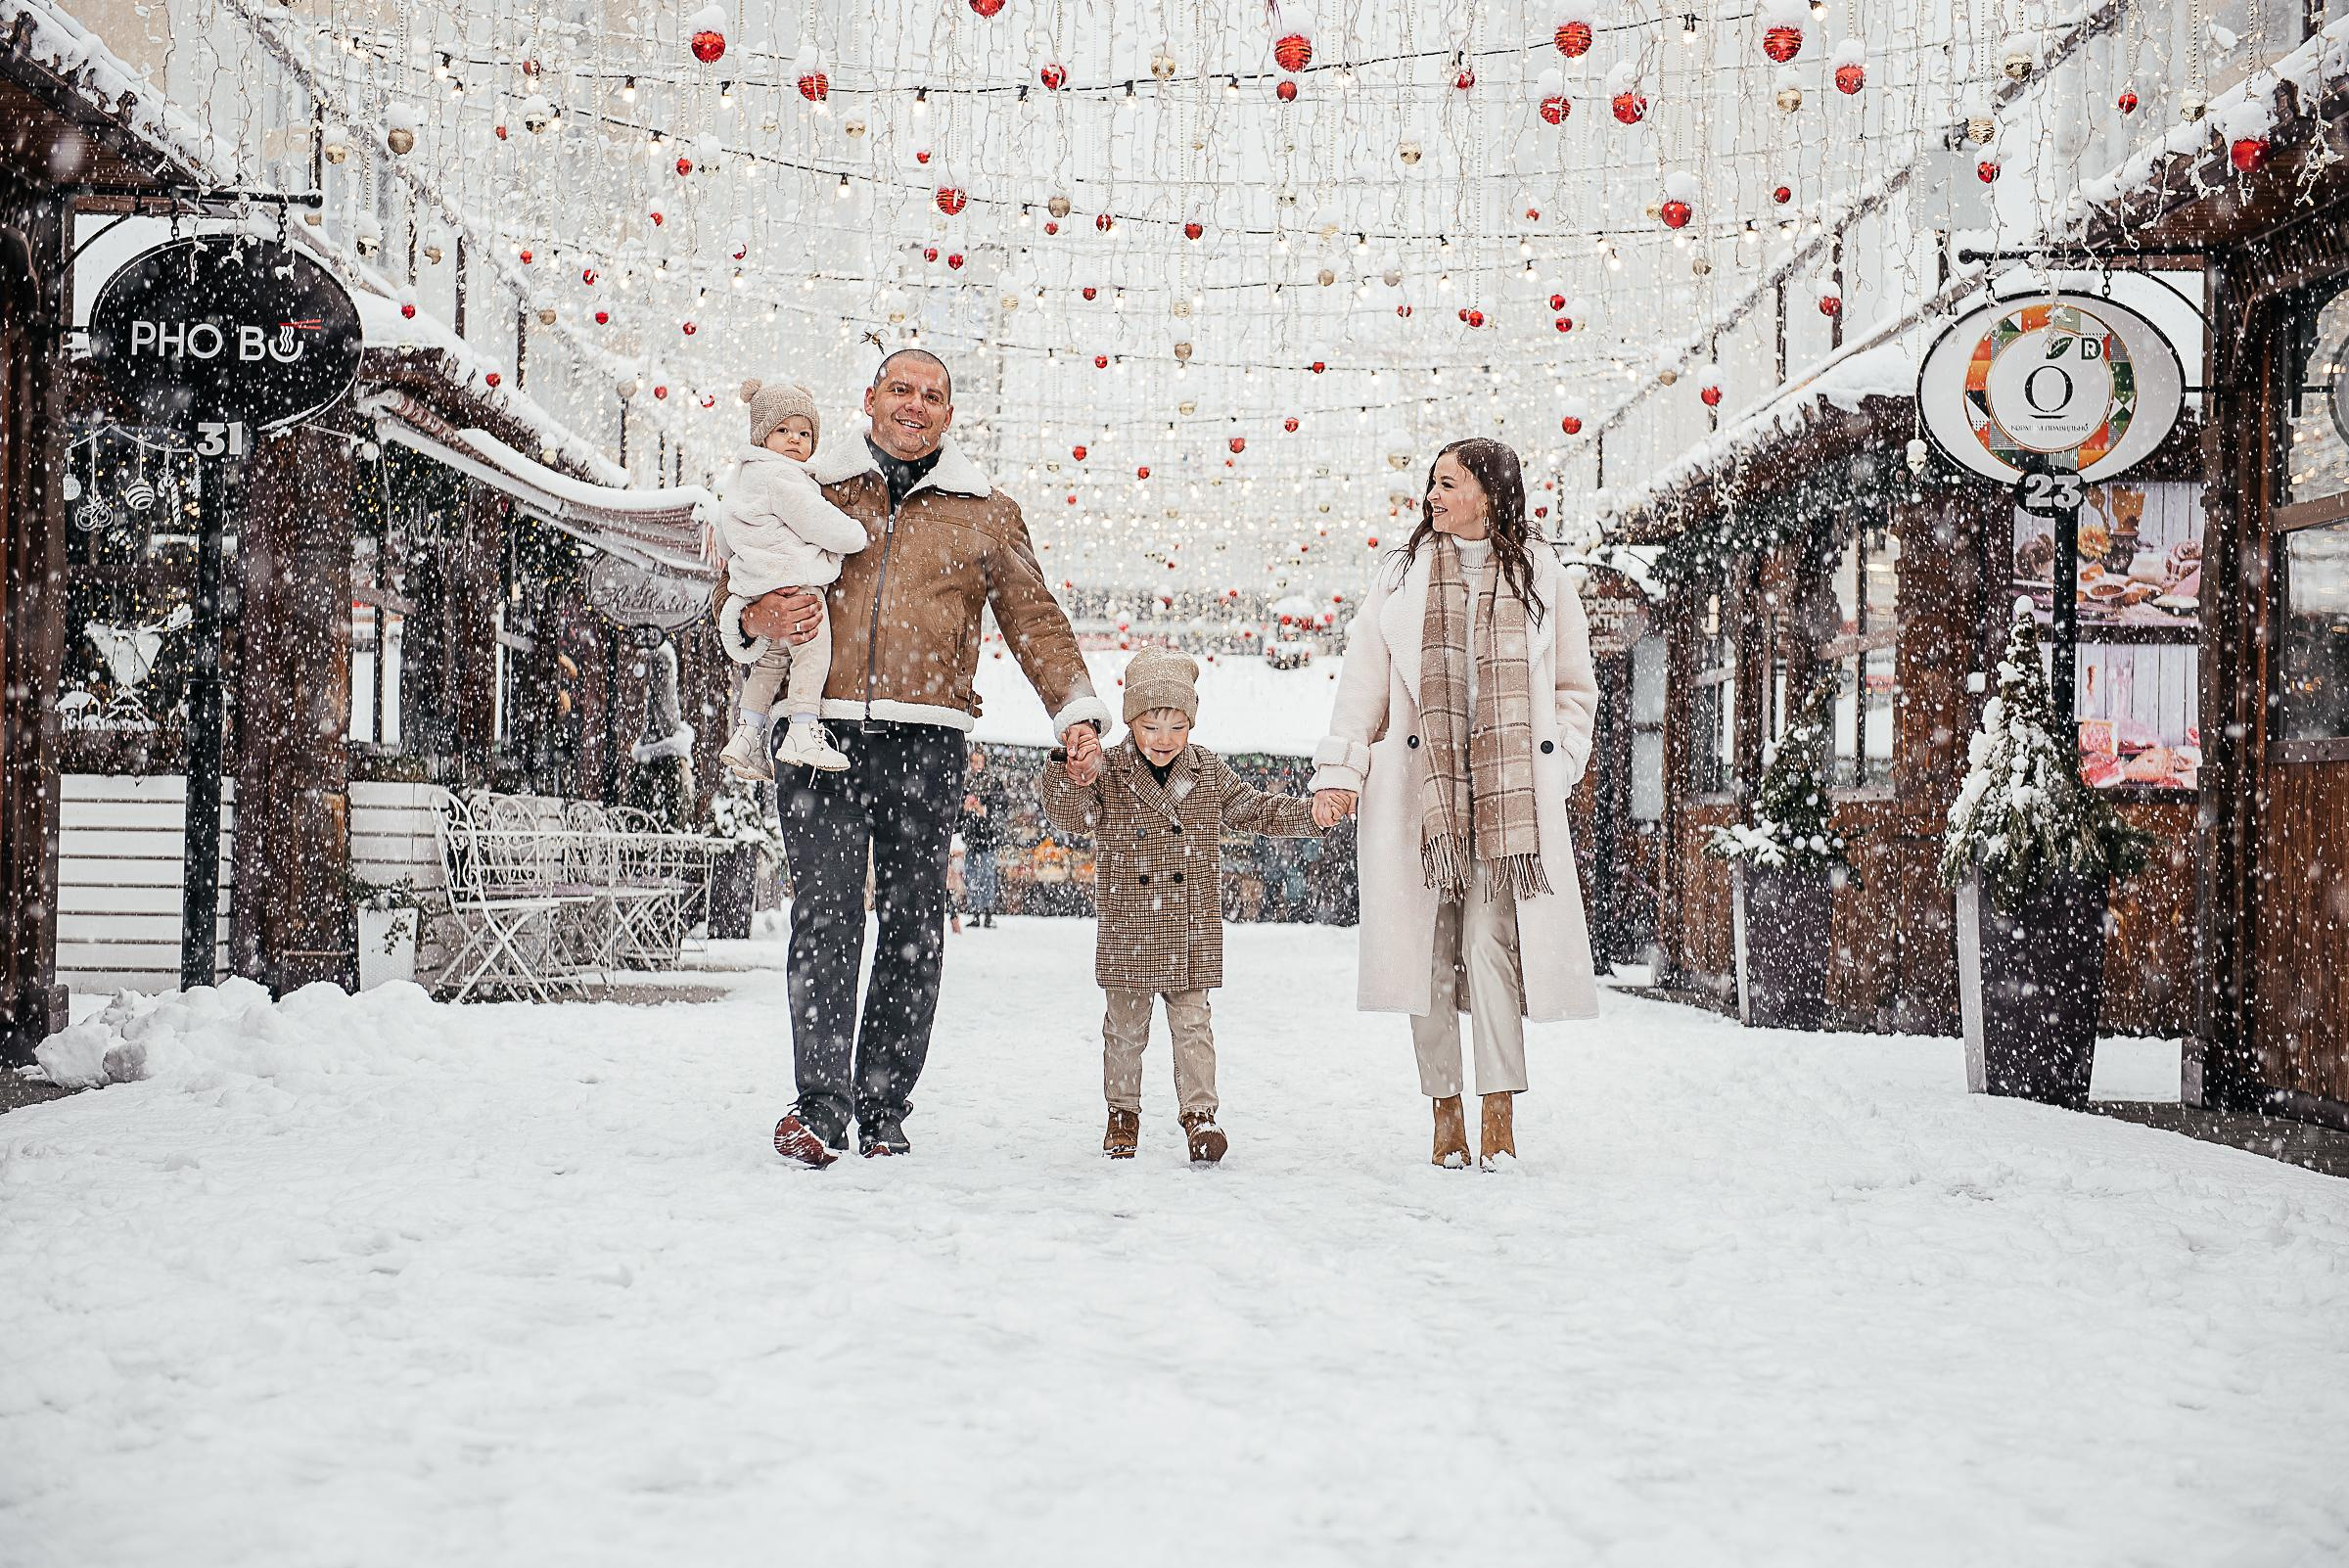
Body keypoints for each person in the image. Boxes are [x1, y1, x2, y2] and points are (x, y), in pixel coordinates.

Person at [717, 348, 1110, 1166]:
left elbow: (1035, 620)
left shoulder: (985, 512)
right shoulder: (809, 486)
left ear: (949, 415)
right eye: (902, 388)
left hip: (927, 741)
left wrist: (1074, 713)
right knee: (824, 917)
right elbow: (733, 586)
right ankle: (821, 1105)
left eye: (932, 395)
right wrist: (754, 613)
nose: (915, 405)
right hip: (813, 730)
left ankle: (885, 1103)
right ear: (870, 398)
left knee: (912, 925)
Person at [1309, 438, 1600, 1170]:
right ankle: (1444, 1110)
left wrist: (1559, 765)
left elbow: (1573, 688)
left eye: (1449, 483)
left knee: (1487, 945)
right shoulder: (1401, 577)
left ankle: (1498, 1109)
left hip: (1508, 799)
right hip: (1422, 793)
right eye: (1432, 484)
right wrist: (1343, 767)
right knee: (1429, 952)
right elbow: (1362, 684)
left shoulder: (1542, 574)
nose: (1433, 497)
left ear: (1490, 492)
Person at [1040, 648, 1325, 1165]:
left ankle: (1201, 1118)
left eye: (1177, 726)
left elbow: (1257, 809)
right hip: (1131, 919)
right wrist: (1070, 772)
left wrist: (1313, 814)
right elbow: (1071, 816)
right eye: (1152, 725)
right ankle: (1122, 1114)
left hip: (1188, 921)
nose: (1164, 740)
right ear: (1130, 722)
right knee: (1124, 1028)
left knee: (1193, 1025)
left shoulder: (1208, 771)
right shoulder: (1107, 771)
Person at [713, 380, 871, 780]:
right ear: (762, 435)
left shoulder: (743, 476)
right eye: (783, 430)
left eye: (804, 433)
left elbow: (723, 536)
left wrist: (745, 561)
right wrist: (854, 536)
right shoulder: (781, 478)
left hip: (761, 585)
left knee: (770, 660)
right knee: (812, 651)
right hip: (794, 581)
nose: (795, 440)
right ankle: (803, 728)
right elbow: (817, 521)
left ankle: (746, 735)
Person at [958, 745, 1008, 929]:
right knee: (972, 875)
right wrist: (964, 809)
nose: (976, 765)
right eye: (974, 762)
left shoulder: (993, 783)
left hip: (987, 838)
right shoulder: (966, 783)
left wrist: (983, 810)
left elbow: (1000, 808)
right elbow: (958, 814)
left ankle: (987, 912)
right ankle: (975, 911)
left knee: (987, 876)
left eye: (979, 762)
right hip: (972, 838)